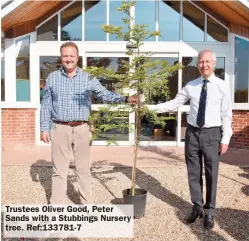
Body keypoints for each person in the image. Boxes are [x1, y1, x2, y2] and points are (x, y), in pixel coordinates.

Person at [40, 42, 136, 205]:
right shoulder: (52, 78)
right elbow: (46, 104)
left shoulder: (88, 78)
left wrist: (125, 99)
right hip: (59, 128)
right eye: (65, 56)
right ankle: (56, 206)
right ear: (61, 57)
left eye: (71, 56)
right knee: (59, 171)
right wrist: (44, 128)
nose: (68, 59)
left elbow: (104, 94)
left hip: (82, 129)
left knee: (83, 170)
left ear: (77, 58)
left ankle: (87, 205)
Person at [153, 50, 232, 229]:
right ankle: (197, 207)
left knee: (212, 174)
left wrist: (225, 138)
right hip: (192, 134)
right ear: (197, 65)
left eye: (207, 62)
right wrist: (152, 108)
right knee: (193, 173)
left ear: (214, 63)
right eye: (201, 62)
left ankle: (210, 211)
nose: (204, 65)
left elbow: (227, 114)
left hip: (212, 134)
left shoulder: (222, 86)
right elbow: (175, 103)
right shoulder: (191, 86)